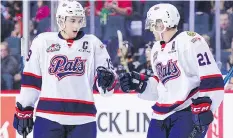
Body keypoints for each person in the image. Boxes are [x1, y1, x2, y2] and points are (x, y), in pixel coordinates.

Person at [13, 1, 117, 138]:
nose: (76, 25)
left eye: (80, 20)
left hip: (84, 120)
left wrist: (107, 82)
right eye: (72, 20)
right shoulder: (43, 42)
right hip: (48, 118)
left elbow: (106, 90)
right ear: (61, 20)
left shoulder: (94, 44)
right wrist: (24, 108)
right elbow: (31, 80)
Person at [119, 3, 224, 138]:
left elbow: (212, 78)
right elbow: (161, 85)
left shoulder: (190, 41)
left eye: (153, 24)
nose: (151, 29)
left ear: (162, 24)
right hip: (160, 115)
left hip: (186, 112)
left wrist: (206, 110)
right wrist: (140, 85)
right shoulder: (156, 49)